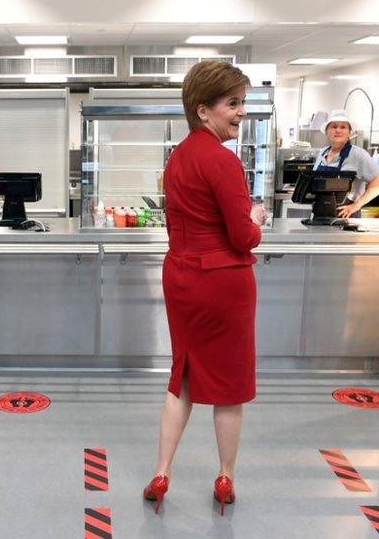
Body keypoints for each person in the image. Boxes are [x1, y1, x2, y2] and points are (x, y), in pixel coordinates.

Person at [143, 61, 268, 516]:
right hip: (224, 282)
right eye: (232, 103)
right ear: (203, 110)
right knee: (229, 387)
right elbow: (241, 236)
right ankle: (225, 476)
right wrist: (255, 221)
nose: (241, 113)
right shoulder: (223, 160)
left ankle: (162, 470)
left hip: (182, 276)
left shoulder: (177, 157)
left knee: (185, 377)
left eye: (242, 102)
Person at [313, 109, 379, 218]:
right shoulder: (322, 153)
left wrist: (356, 206)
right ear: (326, 131)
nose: (338, 130)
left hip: (345, 215)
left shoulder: (357, 154)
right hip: (320, 212)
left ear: (349, 132)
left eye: (343, 127)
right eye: (334, 126)